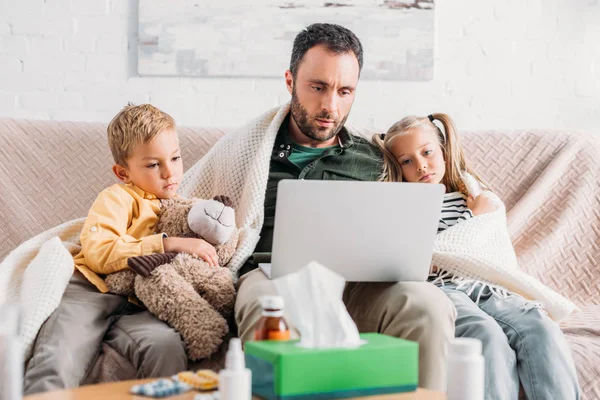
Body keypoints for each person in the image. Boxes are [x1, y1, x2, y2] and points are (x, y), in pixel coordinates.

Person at [178, 23, 456, 391]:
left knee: (427, 306)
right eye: (318, 87)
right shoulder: (245, 149)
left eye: (345, 91)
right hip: (271, 275)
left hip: (360, 284)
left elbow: (439, 188)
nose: (331, 106)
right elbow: (180, 201)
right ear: (290, 81)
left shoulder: (375, 158)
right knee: (267, 306)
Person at [373, 113, 580, 400]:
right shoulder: (404, 205)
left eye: (427, 152)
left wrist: (476, 215)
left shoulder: (473, 194)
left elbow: (488, 242)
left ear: (444, 151)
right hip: (442, 288)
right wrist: (471, 218)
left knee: (539, 326)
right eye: (407, 161)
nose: (420, 165)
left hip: (483, 283)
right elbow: (419, 254)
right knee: (486, 335)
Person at [23, 104, 220, 394]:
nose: (169, 173)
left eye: (175, 158)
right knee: (58, 357)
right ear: (122, 172)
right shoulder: (117, 198)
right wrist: (167, 243)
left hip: (140, 303)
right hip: (92, 291)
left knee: (165, 347)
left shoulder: (184, 208)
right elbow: (100, 251)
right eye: (153, 165)